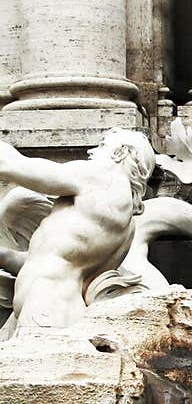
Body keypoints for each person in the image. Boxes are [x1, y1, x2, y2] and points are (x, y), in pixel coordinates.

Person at [0, 129, 155, 334]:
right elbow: (53, 260)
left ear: (120, 153)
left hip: (46, 309)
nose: (91, 151)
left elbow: (10, 165)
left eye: (102, 146)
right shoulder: (127, 226)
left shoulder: (100, 176)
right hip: (55, 310)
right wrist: (5, 256)